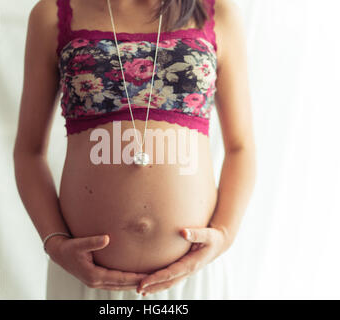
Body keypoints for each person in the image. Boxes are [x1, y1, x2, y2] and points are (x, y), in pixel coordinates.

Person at [13, 0, 256, 300]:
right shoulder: (52, 14)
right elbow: (29, 151)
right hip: (88, 282)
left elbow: (241, 147)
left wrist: (224, 235)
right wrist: (55, 243)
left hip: (191, 278)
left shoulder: (216, 12)